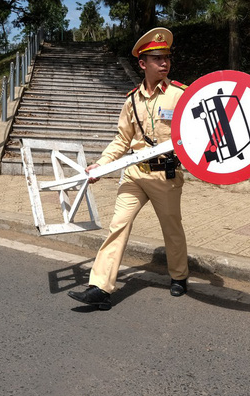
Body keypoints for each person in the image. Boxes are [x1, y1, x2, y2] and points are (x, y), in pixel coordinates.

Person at [68, 28, 190, 311]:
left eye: (167, 58)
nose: (164, 63)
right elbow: (122, 140)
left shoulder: (181, 95)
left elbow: (198, 132)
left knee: (171, 228)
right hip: (134, 174)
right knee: (117, 226)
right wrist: (101, 164)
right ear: (142, 64)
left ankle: (179, 276)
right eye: (157, 58)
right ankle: (100, 288)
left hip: (166, 174)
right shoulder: (132, 100)